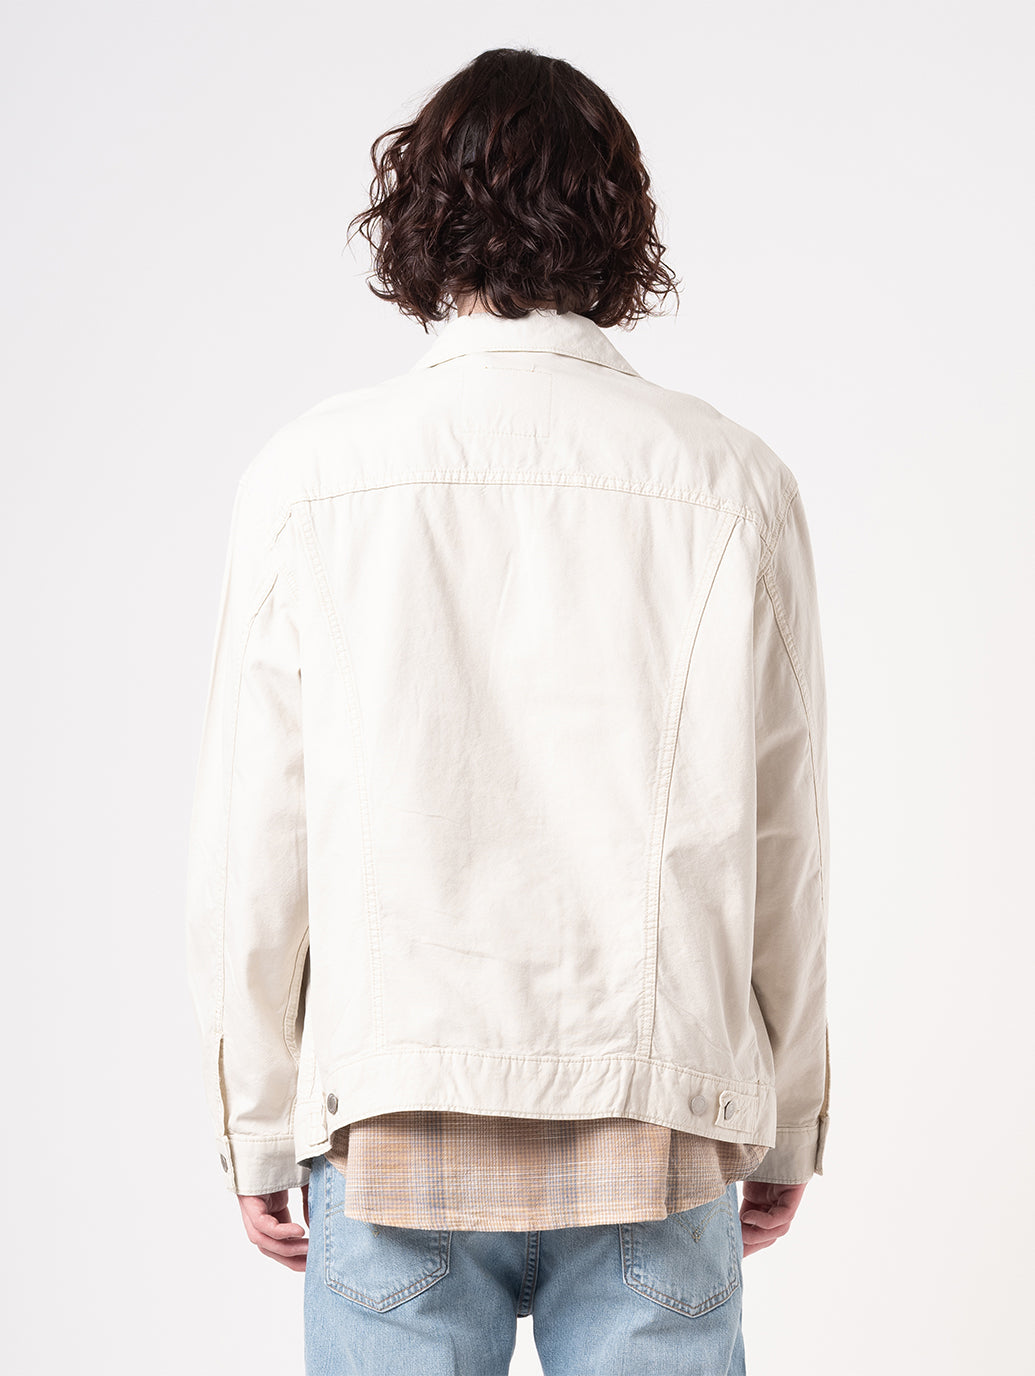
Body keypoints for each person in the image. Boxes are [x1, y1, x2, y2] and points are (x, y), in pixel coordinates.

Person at [184, 46, 831, 1375]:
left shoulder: (310, 480)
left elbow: (256, 838)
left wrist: (256, 1118)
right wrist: (789, 1112)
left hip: (394, 1115)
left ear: (418, 219)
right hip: (659, 1120)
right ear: (620, 228)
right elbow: (787, 837)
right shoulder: (734, 482)